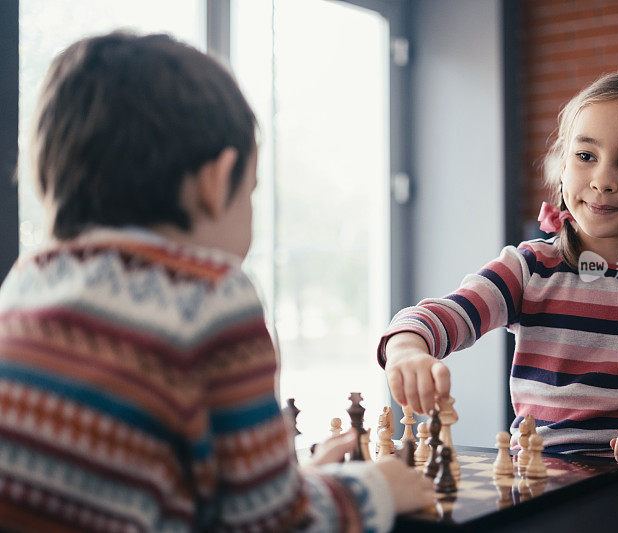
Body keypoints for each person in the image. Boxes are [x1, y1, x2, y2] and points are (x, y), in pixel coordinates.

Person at [0, 32, 433, 532]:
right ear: (215, 181)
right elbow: (277, 526)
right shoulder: (208, 297)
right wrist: (376, 486)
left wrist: (299, 480)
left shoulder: (22, 287)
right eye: (249, 192)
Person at [378, 72, 618, 468]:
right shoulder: (527, 270)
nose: (602, 181)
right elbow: (445, 314)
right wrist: (407, 347)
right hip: (540, 493)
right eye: (585, 156)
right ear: (563, 164)